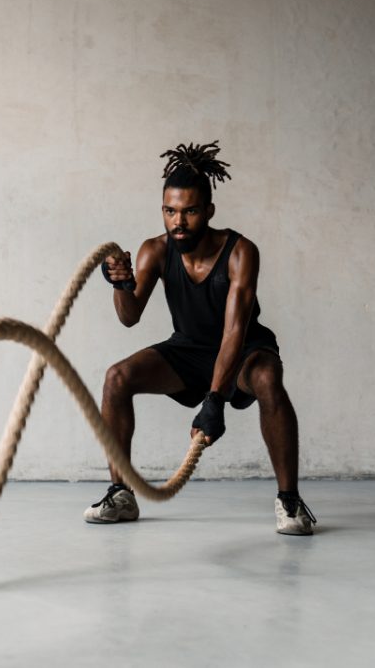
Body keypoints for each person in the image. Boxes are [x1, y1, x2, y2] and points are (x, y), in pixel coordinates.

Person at [86, 141, 316, 535]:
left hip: (243, 350)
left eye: (189, 212)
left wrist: (215, 400)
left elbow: (233, 331)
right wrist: (121, 285)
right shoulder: (154, 251)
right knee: (116, 378)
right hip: (188, 349)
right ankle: (121, 494)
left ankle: (290, 502)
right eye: (169, 211)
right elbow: (129, 318)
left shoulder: (241, 251)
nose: (178, 222)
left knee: (266, 378)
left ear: (208, 211)